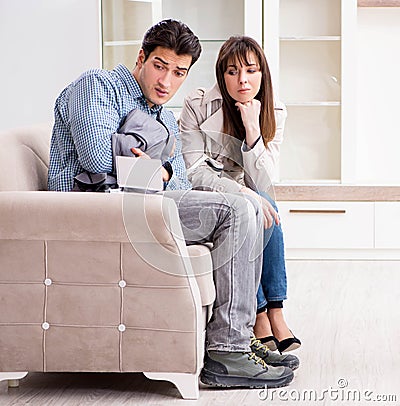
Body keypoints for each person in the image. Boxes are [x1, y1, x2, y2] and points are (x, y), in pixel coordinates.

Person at [47, 19, 297, 388]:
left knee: (248, 205)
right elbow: (100, 162)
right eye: (160, 67)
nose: (166, 82)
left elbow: (177, 179)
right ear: (142, 57)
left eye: (178, 73)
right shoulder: (96, 86)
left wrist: (153, 168)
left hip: (146, 207)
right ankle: (231, 349)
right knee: (239, 206)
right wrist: (156, 171)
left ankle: (235, 344)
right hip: (96, 211)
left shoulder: (162, 114)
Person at [180, 35, 301, 354]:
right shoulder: (197, 104)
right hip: (211, 195)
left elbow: (264, 180)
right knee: (252, 207)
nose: (243, 80)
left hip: (252, 189)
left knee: (265, 202)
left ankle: (274, 311)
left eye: (251, 70)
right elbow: (195, 171)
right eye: (232, 71)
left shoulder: (274, 109)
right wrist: (242, 195)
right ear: (221, 75)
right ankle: (262, 313)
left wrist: (252, 132)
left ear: (263, 74)